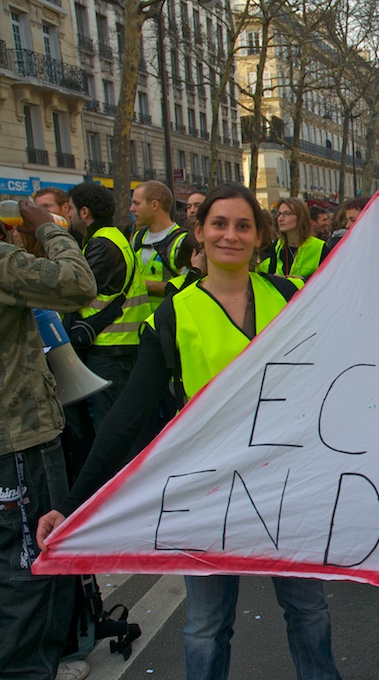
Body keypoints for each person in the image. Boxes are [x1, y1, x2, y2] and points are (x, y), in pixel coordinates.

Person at [37, 184, 343, 680]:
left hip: (287, 487)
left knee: (308, 613)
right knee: (206, 626)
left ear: (259, 236)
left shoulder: (291, 298)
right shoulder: (174, 314)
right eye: (219, 224)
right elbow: (126, 416)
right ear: (198, 233)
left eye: (244, 225)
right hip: (208, 491)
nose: (231, 234)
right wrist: (71, 505)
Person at [1, 200, 96, 680]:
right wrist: (50, 232)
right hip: (17, 440)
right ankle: (28, 669)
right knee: (27, 565)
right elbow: (78, 284)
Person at [66, 182, 150, 432]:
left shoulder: (103, 243)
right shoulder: (107, 238)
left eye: (69, 209)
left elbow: (75, 290)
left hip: (111, 348)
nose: (67, 214)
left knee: (111, 426)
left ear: (84, 212)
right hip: (114, 344)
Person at [129, 180, 188, 314]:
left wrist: (149, 285)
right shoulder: (138, 238)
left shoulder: (181, 242)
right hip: (138, 323)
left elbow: (188, 287)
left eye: (137, 203)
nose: (131, 208)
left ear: (155, 204)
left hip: (168, 323)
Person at [257, 198, 329, 279]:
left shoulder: (320, 247)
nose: (280, 219)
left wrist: (303, 279)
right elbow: (271, 274)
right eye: (279, 214)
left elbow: (328, 278)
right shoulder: (277, 245)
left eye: (286, 213)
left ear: (301, 217)